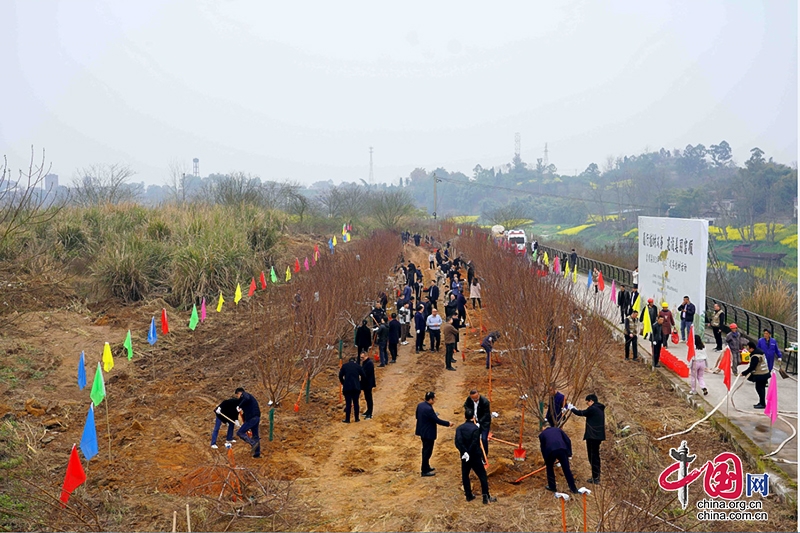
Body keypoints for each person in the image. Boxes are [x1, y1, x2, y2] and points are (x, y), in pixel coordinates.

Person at [455, 408, 496, 504]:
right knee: (482, 476)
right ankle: (486, 497)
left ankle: (468, 495)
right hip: (475, 456)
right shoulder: (475, 429)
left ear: (464, 417)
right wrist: (469, 452)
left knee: (465, 475)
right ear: (473, 417)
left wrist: (464, 452)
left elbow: (458, 442)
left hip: (464, 457)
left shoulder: (459, 428)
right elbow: (474, 443)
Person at [567, 394, 605, 484]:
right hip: (597, 436)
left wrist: (571, 408)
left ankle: (595, 477)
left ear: (591, 401)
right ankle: (596, 476)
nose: (587, 404)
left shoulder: (593, 408)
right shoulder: (599, 408)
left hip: (592, 436)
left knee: (592, 457)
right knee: (595, 456)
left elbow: (581, 413)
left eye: (587, 402)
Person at [415, 392, 452, 476]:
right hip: (428, 433)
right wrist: (448, 423)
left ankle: (426, 466)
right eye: (434, 399)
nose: (435, 400)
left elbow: (417, 416)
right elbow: (437, 420)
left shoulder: (420, 405)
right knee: (427, 451)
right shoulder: (428, 409)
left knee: (425, 449)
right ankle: (424, 470)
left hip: (422, 431)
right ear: (430, 399)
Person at [539, 425, 578, 494]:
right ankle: (573, 489)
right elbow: (568, 440)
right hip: (562, 449)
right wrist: (569, 454)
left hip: (551, 451)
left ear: (543, 427)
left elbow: (543, 448)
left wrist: (546, 460)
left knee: (550, 468)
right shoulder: (558, 430)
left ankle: (552, 487)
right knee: (566, 469)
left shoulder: (542, 434)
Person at [741, 340, 770, 409]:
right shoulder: (759, 352)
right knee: (761, 388)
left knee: (760, 388)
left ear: (752, 348)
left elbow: (752, 367)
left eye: (748, 349)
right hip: (765, 372)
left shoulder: (755, 356)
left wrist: (744, 373)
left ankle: (762, 403)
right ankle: (761, 402)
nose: (748, 350)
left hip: (761, 374)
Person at [234, 387, 262, 458]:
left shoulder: (245, 395)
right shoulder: (247, 401)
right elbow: (245, 413)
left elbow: (246, 398)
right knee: (255, 436)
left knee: (240, 432)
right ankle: (257, 454)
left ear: (239, 393)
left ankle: (253, 443)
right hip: (256, 418)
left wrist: (239, 406)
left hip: (252, 418)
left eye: (237, 395)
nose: (238, 397)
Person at [463, 389, 491, 455]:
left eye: (476, 398)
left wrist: (479, 422)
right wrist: (470, 413)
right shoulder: (469, 399)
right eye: (473, 399)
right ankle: (475, 454)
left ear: (478, 395)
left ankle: (484, 455)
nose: (475, 400)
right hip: (473, 421)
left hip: (484, 423)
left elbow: (486, 414)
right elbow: (465, 405)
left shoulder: (485, 402)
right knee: (474, 438)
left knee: (484, 439)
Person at [339, 356, 365, 423]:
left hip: (347, 387)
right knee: (356, 403)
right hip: (356, 387)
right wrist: (360, 383)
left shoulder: (345, 366)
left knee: (348, 404)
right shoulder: (358, 366)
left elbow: (340, 375)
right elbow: (363, 375)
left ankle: (347, 419)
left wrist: (343, 382)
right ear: (355, 361)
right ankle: (357, 418)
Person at [360, 351, 376, 419]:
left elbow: (366, 374)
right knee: (367, 397)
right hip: (365, 383)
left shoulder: (369, 363)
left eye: (362, 357)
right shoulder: (365, 362)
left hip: (368, 383)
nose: (361, 359)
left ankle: (370, 413)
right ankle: (368, 411)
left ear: (366, 356)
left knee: (369, 398)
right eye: (361, 357)